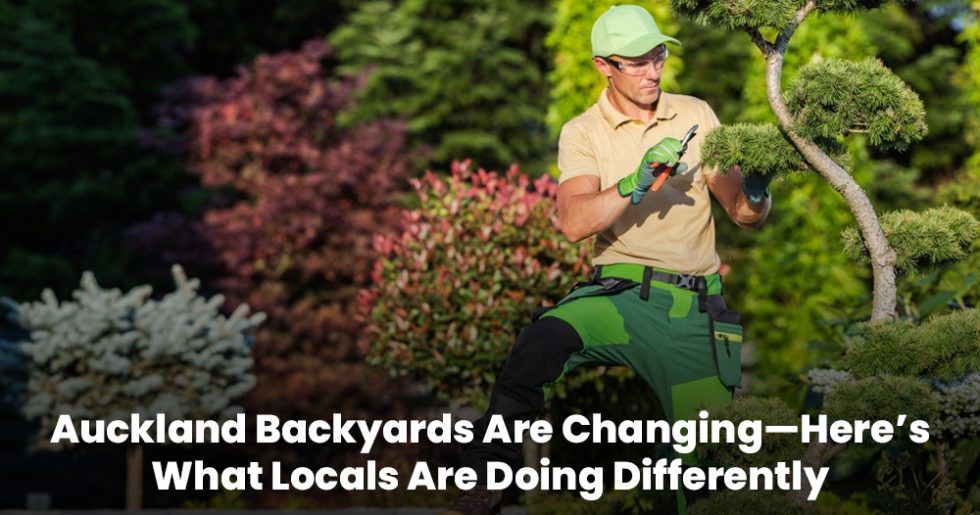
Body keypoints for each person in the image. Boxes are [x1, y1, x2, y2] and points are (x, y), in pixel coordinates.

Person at [440, 5, 772, 515]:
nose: (653, 70)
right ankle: (488, 476)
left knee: (704, 473)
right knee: (541, 342)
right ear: (604, 67)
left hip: (691, 312)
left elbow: (744, 215)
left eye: (658, 55)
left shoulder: (696, 114)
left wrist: (757, 186)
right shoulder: (583, 132)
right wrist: (633, 183)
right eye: (636, 62)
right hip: (617, 297)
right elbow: (574, 222)